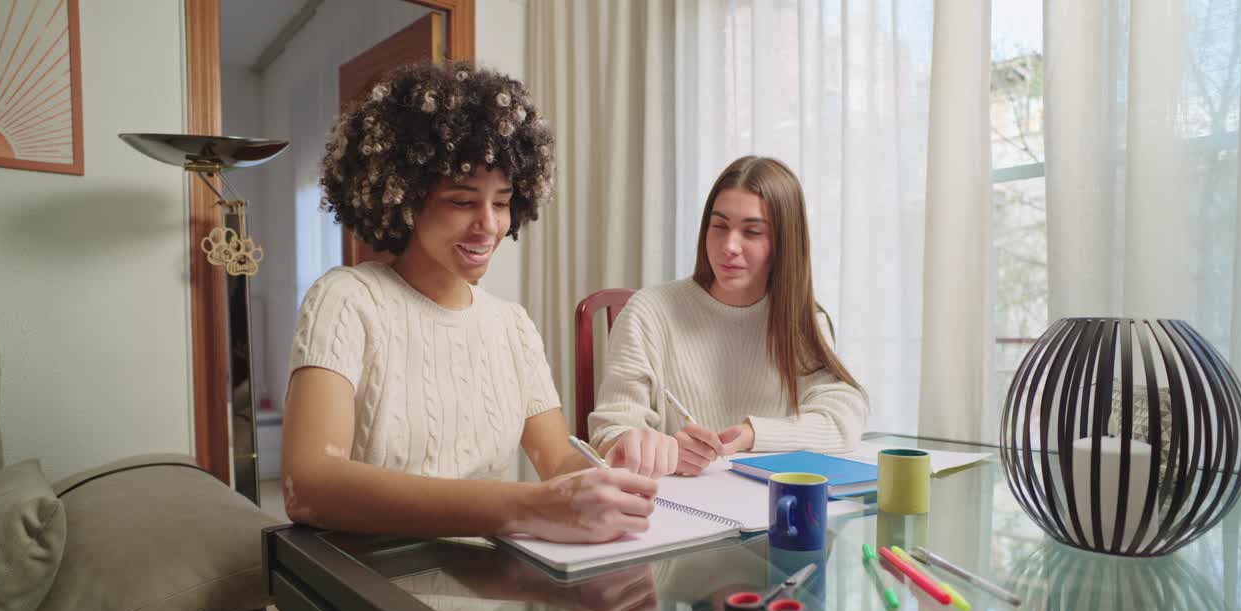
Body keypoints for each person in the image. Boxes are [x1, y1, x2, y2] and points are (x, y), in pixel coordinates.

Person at [280, 62, 658, 543]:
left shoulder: (512, 325)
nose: (489, 226)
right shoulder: (347, 300)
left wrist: (611, 468)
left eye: (501, 203)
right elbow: (309, 483)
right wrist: (526, 508)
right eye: (462, 202)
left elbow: (558, 461)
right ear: (405, 199)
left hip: (489, 577)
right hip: (373, 576)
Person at [589, 156, 869, 476]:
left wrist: (752, 435)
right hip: (674, 500)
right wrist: (663, 452)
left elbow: (844, 420)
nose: (729, 246)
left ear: (784, 243)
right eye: (719, 226)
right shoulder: (648, 312)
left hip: (767, 501)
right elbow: (609, 433)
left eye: (752, 232)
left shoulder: (800, 320)